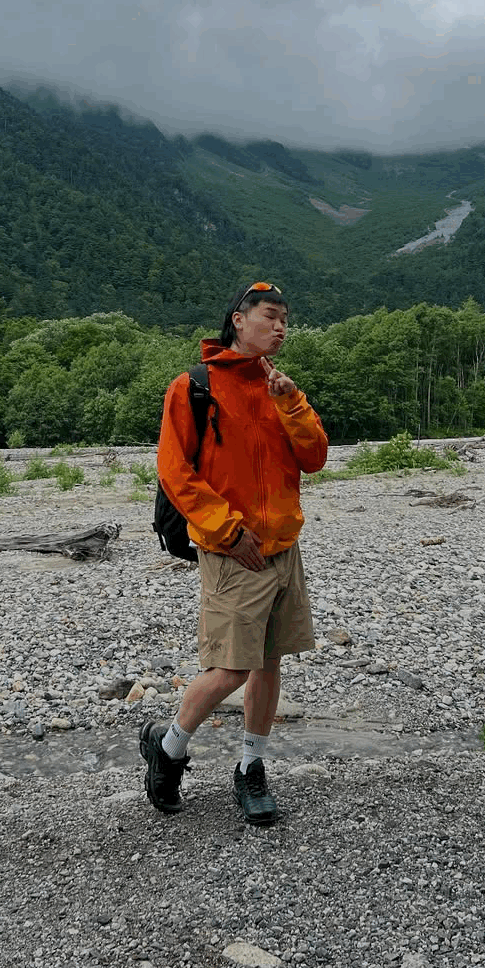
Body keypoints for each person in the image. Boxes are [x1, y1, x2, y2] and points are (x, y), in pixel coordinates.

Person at [140, 281, 328, 825]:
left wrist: (291, 402)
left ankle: (250, 767)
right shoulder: (193, 386)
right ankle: (169, 747)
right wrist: (227, 531)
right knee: (230, 668)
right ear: (238, 320)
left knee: (268, 662)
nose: (281, 327)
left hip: (283, 547)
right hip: (232, 551)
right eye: (271, 316)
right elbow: (175, 471)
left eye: (285, 319)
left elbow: (315, 457)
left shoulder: (279, 387)